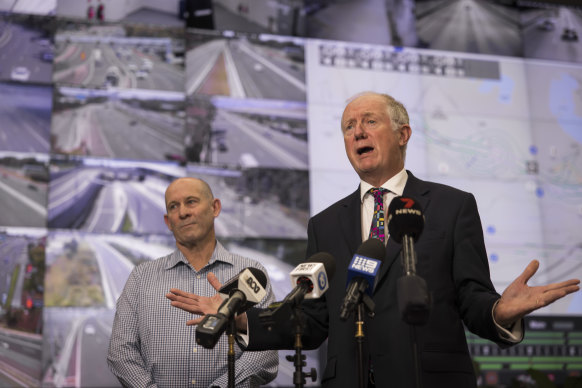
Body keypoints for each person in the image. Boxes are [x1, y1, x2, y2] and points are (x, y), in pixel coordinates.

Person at [169, 92, 580, 388]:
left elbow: (471, 298)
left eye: (369, 121)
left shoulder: (452, 206)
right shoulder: (325, 224)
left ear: (403, 134)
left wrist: (500, 312)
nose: (357, 132)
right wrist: (241, 317)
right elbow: (312, 321)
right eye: (349, 126)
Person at [107, 177, 278, 388]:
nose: (183, 212)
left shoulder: (250, 274)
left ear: (215, 208)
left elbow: (267, 351)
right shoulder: (141, 277)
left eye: (191, 202)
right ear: (168, 222)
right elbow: (120, 351)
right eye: (174, 206)